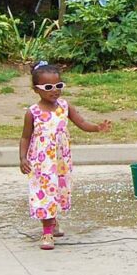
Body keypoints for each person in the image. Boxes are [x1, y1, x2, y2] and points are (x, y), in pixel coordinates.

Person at [19, 62, 111, 250]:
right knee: (44, 193)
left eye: (58, 86)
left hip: (60, 161)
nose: (54, 91)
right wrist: (22, 158)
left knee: (57, 191)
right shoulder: (33, 113)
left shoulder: (64, 107)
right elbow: (25, 137)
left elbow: (82, 122)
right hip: (41, 163)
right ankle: (47, 233)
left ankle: (53, 221)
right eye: (48, 87)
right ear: (36, 90)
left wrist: (96, 128)